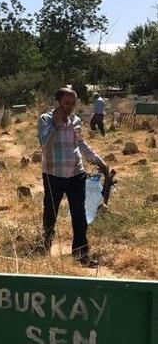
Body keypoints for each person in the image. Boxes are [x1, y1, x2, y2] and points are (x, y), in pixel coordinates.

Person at [38, 87, 109, 268]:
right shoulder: (45, 119)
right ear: (58, 102)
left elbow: (81, 144)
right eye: (66, 103)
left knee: (79, 215)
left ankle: (81, 254)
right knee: (50, 212)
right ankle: (45, 245)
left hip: (76, 174)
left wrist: (98, 160)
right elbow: (44, 143)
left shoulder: (76, 120)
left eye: (73, 103)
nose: (69, 107)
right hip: (53, 174)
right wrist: (55, 124)